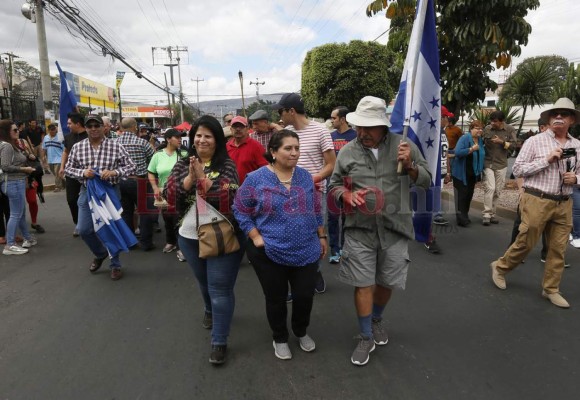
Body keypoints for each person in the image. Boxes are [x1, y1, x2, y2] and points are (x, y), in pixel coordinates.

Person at [328, 96, 431, 366]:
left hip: (395, 229)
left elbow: (426, 182)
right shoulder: (348, 151)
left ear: (384, 126)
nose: (362, 133)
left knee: (387, 282)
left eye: (369, 128)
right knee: (363, 283)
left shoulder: (404, 147)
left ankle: (375, 319)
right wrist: (345, 196)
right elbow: (334, 186)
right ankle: (365, 336)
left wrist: (410, 166)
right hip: (358, 230)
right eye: (359, 127)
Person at [234, 130, 327, 360]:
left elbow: (315, 207)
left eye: (296, 148)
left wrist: (322, 235)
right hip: (268, 250)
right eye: (288, 148)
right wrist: (255, 236)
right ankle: (280, 337)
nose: (294, 153)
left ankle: (301, 330)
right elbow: (239, 208)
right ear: (273, 152)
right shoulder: (255, 179)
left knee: (304, 295)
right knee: (275, 298)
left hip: (306, 247)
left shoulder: (305, 176)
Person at [166, 115, 244, 365]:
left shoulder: (228, 164)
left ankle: (219, 340)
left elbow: (230, 198)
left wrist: (203, 180)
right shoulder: (181, 164)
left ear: (217, 140)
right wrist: (190, 178)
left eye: (208, 136)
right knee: (204, 283)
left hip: (222, 235)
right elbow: (171, 198)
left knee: (219, 288)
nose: (202, 140)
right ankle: (210, 310)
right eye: (198, 135)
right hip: (189, 237)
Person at [490, 98, 580, 309]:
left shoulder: (577, 145)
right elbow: (519, 170)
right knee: (525, 242)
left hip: (564, 202)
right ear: (548, 119)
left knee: (558, 249)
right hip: (536, 199)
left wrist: (576, 179)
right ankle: (500, 268)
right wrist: (546, 160)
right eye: (555, 114)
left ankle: (551, 289)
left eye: (564, 114)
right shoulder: (535, 141)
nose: (559, 117)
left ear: (572, 120)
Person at [273, 92, 336, 294]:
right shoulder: (287, 133)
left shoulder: (320, 131)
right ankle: (293, 280)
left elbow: (331, 165)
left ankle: (313, 270)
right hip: (287, 194)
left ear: (291, 111)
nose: (280, 116)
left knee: (315, 236)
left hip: (315, 194)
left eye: (281, 111)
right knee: (289, 235)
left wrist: (310, 181)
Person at [65, 115, 136, 281]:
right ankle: (100, 253)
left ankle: (116, 264)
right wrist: (82, 172)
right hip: (87, 191)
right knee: (84, 229)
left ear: (104, 128)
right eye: (89, 126)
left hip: (110, 191)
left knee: (111, 227)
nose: (93, 129)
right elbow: (68, 169)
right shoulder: (78, 147)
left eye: (96, 125)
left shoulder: (115, 146)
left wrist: (114, 172)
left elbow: (131, 165)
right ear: (86, 128)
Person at [116, 117, 155, 249]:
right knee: (144, 212)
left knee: (126, 212)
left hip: (121, 181)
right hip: (140, 180)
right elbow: (153, 160)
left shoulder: (114, 143)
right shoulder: (142, 143)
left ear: (121, 127)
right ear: (134, 127)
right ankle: (146, 243)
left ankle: (130, 242)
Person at [147, 128, 188, 254]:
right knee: (167, 218)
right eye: (177, 138)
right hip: (162, 192)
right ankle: (170, 241)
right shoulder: (158, 155)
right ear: (168, 139)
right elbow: (151, 172)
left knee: (180, 219)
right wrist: (155, 188)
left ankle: (183, 247)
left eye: (181, 138)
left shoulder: (184, 155)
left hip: (180, 192)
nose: (180, 140)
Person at [0, 119, 38, 255]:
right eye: (15, 130)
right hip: (13, 182)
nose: (18, 132)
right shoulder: (7, 146)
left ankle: (27, 238)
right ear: (6, 132)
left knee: (19, 213)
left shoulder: (11, 144)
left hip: (15, 182)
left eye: (18, 129)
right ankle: (10, 245)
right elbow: (5, 166)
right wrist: (24, 169)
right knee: (16, 214)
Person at [327, 106, 356, 263]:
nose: (332, 120)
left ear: (343, 119)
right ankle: (334, 250)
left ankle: (345, 248)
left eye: (334, 118)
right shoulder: (329, 137)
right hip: (333, 182)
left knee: (347, 218)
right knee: (332, 217)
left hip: (350, 183)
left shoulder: (355, 136)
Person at [482, 110, 517, 226]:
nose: (492, 123)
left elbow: (514, 145)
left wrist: (502, 142)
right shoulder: (487, 129)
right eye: (491, 121)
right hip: (488, 163)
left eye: (495, 121)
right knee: (490, 188)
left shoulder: (510, 129)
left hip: (501, 164)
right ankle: (486, 214)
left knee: (498, 191)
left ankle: (493, 214)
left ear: (502, 121)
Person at [451, 120, 485, 227]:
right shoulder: (464, 138)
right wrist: (471, 149)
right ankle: (461, 219)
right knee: (462, 195)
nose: (479, 130)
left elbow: (482, 154)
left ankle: (465, 215)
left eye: (481, 128)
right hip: (461, 172)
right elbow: (458, 152)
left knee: (469, 195)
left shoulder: (479, 140)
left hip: (472, 173)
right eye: (477, 128)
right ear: (471, 129)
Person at [60, 112, 88, 236]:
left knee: (89, 201)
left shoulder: (90, 136)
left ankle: (92, 223)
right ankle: (78, 223)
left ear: (78, 124)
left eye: (70, 123)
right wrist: (62, 167)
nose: (68, 125)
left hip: (87, 175)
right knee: (72, 200)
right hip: (71, 174)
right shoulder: (68, 137)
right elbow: (65, 152)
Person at [16, 134, 44, 234]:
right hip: (14, 178)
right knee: (17, 205)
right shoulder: (5, 144)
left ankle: (34, 222)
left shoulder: (23, 141)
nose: (16, 132)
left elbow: (30, 155)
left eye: (16, 130)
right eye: (14, 130)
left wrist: (30, 155)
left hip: (29, 176)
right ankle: (18, 226)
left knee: (32, 200)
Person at [42, 123, 65, 192]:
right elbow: (44, 148)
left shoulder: (60, 137)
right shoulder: (46, 138)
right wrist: (43, 157)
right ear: (48, 130)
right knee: (56, 174)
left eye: (54, 130)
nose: (53, 131)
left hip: (59, 158)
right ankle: (64, 183)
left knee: (57, 172)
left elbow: (64, 149)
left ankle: (58, 187)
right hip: (50, 160)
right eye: (51, 130)